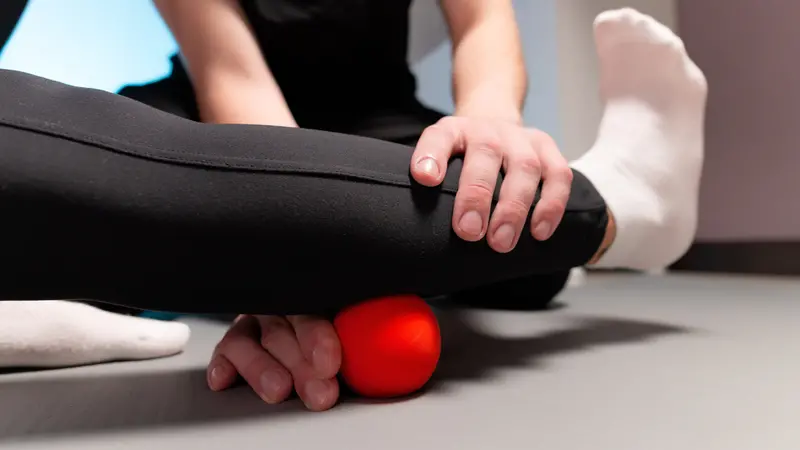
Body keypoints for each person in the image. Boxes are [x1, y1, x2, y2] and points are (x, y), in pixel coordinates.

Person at [0, 3, 706, 412]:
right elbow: (231, 76)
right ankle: (624, 206)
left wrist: (493, 127)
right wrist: (290, 255)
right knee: (128, 178)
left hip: (377, 117)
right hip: (222, 117)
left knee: (524, 260)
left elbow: (484, 26)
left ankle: (622, 210)